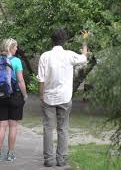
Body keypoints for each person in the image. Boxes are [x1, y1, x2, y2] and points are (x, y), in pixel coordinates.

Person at [37, 29, 89, 167]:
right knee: (63, 128)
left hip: (48, 96)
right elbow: (84, 57)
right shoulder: (69, 55)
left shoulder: (45, 56)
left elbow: (41, 80)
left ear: (52, 40)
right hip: (65, 97)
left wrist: (41, 95)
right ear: (64, 41)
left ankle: (48, 159)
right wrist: (84, 40)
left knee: (48, 127)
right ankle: (61, 159)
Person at [0, 38, 28, 161]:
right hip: (14, 96)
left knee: (2, 125)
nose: (17, 49)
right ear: (11, 48)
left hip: (1, 96)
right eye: (15, 46)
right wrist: (25, 95)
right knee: (13, 126)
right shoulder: (16, 61)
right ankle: (10, 154)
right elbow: (20, 80)